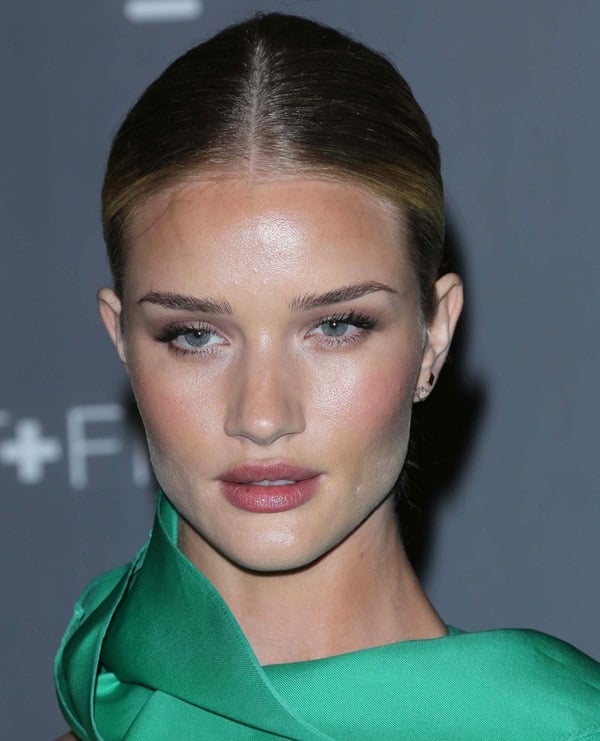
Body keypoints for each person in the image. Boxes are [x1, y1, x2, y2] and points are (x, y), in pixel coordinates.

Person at [54, 12, 600, 740]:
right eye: (195, 335)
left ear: (434, 336)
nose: (262, 415)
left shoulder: (554, 725)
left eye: (336, 326)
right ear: (121, 338)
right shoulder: (99, 709)